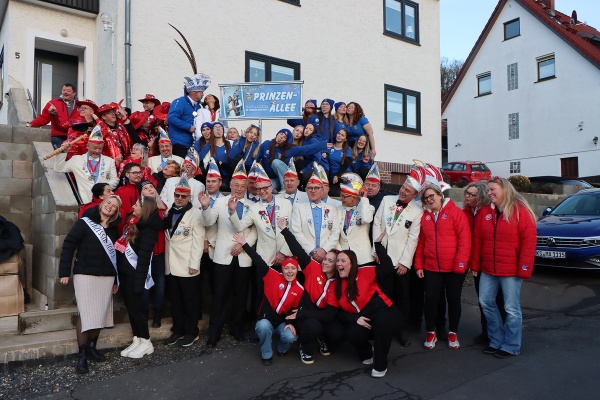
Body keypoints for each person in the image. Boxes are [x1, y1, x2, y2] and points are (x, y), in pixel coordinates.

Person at [471, 177, 537, 358]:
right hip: (488, 268)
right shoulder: (485, 212)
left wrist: (524, 267)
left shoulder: (520, 211)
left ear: (505, 189)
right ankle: (496, 340)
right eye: (488, 190)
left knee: (511, 309)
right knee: (486, 302)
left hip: (511, 270)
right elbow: (478, 241)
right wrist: (475, 264)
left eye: (493, 189)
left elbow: (529, 241)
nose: (489, 193)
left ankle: (511, 345)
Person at [58, 195, 122, 374]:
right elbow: (69, 245)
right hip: (85, 274)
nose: (110, 207)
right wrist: (64, 272)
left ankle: (92, 348)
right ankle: (82, 355)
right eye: (108, 203)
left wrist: (115, 280)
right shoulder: (85, 223)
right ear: (102, 204)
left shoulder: (113, 229)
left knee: (100, 313)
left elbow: (115, 256)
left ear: (116, 212)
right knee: (86, 314)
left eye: (114, 206)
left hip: (106, 277)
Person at [200, 160, 257, 347]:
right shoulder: (220, 201)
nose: (239, 189)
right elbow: (208, 222)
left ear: (246, 187)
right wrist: (206, 207)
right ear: (230, 185)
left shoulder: (252, 205)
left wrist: (244, 246)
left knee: (241, 295)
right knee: (219, 295)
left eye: (242, 186)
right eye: (236, 185)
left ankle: (237, 329)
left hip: (243, 256)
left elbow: (255, 231)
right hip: (223, 255)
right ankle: (214, 333)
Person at [232, 232, 303, 366]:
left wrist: (291, 324)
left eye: (293, 268)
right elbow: (258, 259)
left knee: (290, 336)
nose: (290, 271)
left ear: (296, 270)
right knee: (262, 326)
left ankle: (282, 349)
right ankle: (267, 354)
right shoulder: (272, 275)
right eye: (286, 268)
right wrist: (244, 244)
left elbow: (294, 310)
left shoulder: (300, 289)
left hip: (282, 322)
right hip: (267, 319)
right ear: (282, 269)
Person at [414, 183, 471, 350]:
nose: (429, 199)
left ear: (440, 195)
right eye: (426, 198)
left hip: (453, 268)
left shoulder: (456, 213)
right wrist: (419, 264)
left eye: (432, 196)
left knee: (453, 300)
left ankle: (453, 331)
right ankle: (431, 331)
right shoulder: (425, 216)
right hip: (432, 267)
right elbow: (421, 242)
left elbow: (465, 240)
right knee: (431, 300)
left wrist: (461, 263)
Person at [277, 218, 341, 364]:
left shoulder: (338, 283)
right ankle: (305, 346)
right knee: (313, 326)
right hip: (305, 315)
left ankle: (321, 337)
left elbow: (329, 314)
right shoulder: (313, 268)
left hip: (321, 316)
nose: (325, 262)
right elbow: (297, 250)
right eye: (325, 259)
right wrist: (285, 230)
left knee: (337, 334)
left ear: (336, 265)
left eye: (330, 261)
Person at [372, 167, 425, 345]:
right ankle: (382, 327)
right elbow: (377, 222)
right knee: (383, 295)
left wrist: (405, 263)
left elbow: (413, 239)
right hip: (382, 258)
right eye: (403, 187)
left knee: (402, 298)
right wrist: (376, 249)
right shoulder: (387, 200)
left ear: (415, 194)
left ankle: (401, 329)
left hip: (400, 262)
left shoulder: (417, 211)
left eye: (408, 191)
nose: (403, 191)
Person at [334, 247, 403, 378]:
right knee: (353, 332)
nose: (338, 264)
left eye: (343, 261)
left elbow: (388, 268)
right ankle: (367, 352)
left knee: (382, 323)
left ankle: (380, 364)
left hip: (386, 312)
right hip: (365, 320)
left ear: (352, 263)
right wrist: (355, 319)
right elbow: (336, 313)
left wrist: (378, 246)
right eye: (337, 261)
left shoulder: (365, 271)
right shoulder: (336, 285)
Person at [116, 196, 162, 359]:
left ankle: (146, 341)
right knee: (131, 309)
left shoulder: (148, 230)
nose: (133, 207)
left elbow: (143, 259)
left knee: (137, 310)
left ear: (145, 208)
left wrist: (139, 283)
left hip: (136, 276)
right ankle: (137, 338)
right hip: (126, 275)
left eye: (136, 205)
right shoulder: (134, 223)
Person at [163, 177, 206, 348]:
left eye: (183, 196)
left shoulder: (196, 214)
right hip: (171, 264)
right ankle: (178, 329)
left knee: (190, 301)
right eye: (177, 195)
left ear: (189, 197)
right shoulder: (169, 212)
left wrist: (194, 264)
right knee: (175, 301)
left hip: (188, 264)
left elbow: (198, 241)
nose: (179, 198)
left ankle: (192, 331)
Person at [462, 182, 505, 344]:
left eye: (471, 194)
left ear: (480, 196)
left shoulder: (488, 212)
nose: (467, 196)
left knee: (496, 300)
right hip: (475, 261)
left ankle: (499, 332)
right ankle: (486, 331)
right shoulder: (465, 212)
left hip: (489, 261)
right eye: (466, 193)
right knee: (483, 300)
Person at [228, 162, 293, 266]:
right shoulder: (254, 208)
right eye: (258, 189)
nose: (262, 191)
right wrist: (232, 211)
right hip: (265, 259)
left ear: (271, 187)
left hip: (285, 257)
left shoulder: (286, 203)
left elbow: (292, 229)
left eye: (265, 188)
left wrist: (283, 252)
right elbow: (240, 227)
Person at [54, 127, 119, 204]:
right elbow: (59, 168)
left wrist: (102, 188)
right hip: (85, 203)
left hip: (105, 204)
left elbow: (115, 180)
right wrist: (64, 152)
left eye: (100, 148)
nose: (97, 151)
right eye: (94, 148)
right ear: (88, 146)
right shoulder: (76, 160)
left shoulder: (109, 161)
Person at [290, 167, 340, 262]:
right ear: (306, 191)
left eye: (316, 188)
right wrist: (312, 251)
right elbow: (296, 232)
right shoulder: (298, 208)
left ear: (322, 190)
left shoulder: (332, 209)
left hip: (327, 256)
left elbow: (335, 232)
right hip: (306, 256)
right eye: (310, 188)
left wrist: (324, 250)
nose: (313, 191)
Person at [257, 128, 329, 192]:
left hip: (284, 177)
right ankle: (276, 190)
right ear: (277, 134)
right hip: (271, 179)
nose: (281, 137)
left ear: (286, 141)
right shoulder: (266, 144)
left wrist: (323, 145)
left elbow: (307, 149)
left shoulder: (289, 149)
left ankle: (285, 189)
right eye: (281, 134)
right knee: (265, 189)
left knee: (275, 162)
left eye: (284, 137)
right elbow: (257, 159)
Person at [138, 180, 169, 328]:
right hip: (145, 254)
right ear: (141, 193)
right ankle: (143, 316)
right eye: (145, 188)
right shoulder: (138, 208)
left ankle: (157, 316)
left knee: (160, 287)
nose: (149, 189)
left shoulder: (164, 208)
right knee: (145, 287)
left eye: (151, 187)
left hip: (160, 253)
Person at [168, 72, 211, 158]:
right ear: (196, 93)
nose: (203, 95)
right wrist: (188, 127)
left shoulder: (198, 106)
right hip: (179, 143)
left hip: (192, 144)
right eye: (202, 92)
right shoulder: (180, 102)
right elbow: (172, 118)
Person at [336, 173, 375, 265]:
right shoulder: (338, 209)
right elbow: (335, 232)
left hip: (362, 257)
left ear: (353, 198)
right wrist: (340, 252)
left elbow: (366, 219)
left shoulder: (368, 208)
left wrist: (364, 199)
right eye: (341, 195)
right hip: (344, 257)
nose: (341, 198)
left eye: (344, 197)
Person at [27, 83, 78, 148]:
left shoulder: (80, 106)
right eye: (64, 90)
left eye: (68, 91)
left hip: (75, 137)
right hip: (58, 136)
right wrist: (31, 124)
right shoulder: (53, 103)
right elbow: (44, 118)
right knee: (60, 151)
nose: (65, 92)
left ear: (74, 93)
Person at [198, 122, 240, 189]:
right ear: (212, 131)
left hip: (228, 175)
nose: (218, 129)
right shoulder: (208, 146)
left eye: (220, 127)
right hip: (214, 176)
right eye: (216, 127)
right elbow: (202, 161)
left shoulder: (231, 143)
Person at [323, 128, 353, 197]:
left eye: (342, 135)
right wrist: (324, 154)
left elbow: (345, 166)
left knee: (333, 193)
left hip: (341, 178)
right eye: (339, 133)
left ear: (345, 139)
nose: (339, 136)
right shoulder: (330, 147)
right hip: (330, 177)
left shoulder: (347, 150)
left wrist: (337, 175)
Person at [115, 163, 143, 233]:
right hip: (126, 227)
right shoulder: (120, 191)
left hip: (143, 225)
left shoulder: (146, 188)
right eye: (135, 173)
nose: (138, 175)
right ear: (127, 174)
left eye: (139, 172)